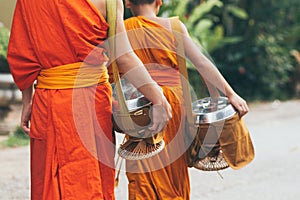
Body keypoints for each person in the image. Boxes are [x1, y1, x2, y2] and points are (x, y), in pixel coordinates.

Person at [7, 0, 171, 199]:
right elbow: (124, 57)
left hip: (47, 102)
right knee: (90, 181)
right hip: (90, 105)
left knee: (50, 183)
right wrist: (158, 98)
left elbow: (22, 53)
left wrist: (27, 100)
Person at [123, 0, 249, 199]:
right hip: (173, 108)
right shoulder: (173, 27)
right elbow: (201, 63)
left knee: (143, 177)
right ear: (159, 1)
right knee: (173, 176)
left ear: (127, 2)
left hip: (142, 109)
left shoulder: (123, 31)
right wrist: (230, 94)